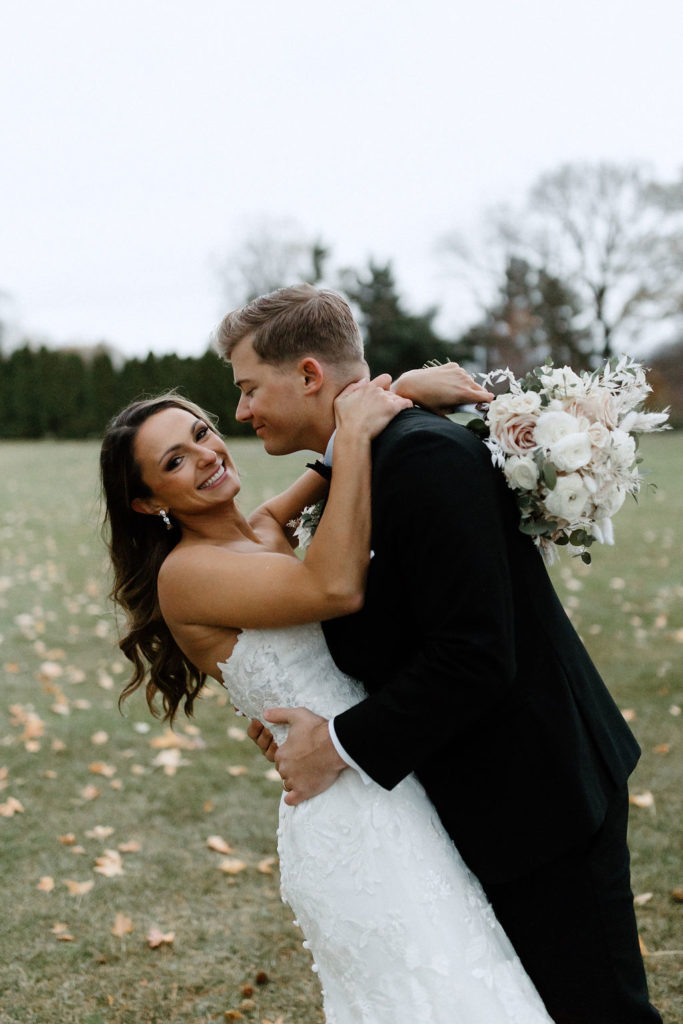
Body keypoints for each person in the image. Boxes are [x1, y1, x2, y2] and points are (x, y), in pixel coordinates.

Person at [215, 284, 662, 1024]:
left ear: (306, 375)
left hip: (538, 794)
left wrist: (338, 744)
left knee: (597, 1010)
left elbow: (477, 653)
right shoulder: (367, 459)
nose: (240, 412)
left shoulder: (420, 457)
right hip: (481, 793)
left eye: (248, 388)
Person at [100, 377, 554, 1024]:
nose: (204, 454)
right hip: (348, 815)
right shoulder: (188, 575)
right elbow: (333, 585)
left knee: (468, 973)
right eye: (174, 461)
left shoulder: (257, 530)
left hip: (389, 770)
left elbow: (321, 466)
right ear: (147, 504)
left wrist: (392, 390)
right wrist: (361, 431)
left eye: (200, 433)